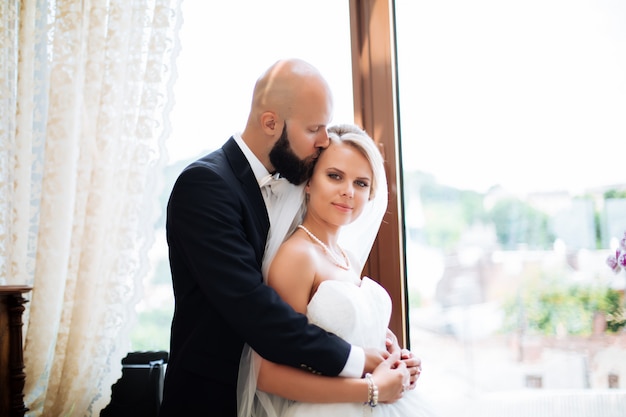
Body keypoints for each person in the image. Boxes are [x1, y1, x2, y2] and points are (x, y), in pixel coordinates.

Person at [159, 59, 415, 416]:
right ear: (271, 123)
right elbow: (255, 309)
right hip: (212, 398)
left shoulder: (290, 186)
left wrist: (378, 344)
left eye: (361, 183)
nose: (323, 141)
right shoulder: (206, 185)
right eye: (314, 129)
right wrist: (361, 363)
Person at [237, 124, 438, 417]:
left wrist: (397, 363)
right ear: (308, 181)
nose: (348, 192)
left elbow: (356, 340)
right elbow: (268, 374)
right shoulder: (297, 257)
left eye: (361, 183)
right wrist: (372, 389)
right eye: (335, 176)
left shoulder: (348, 258)